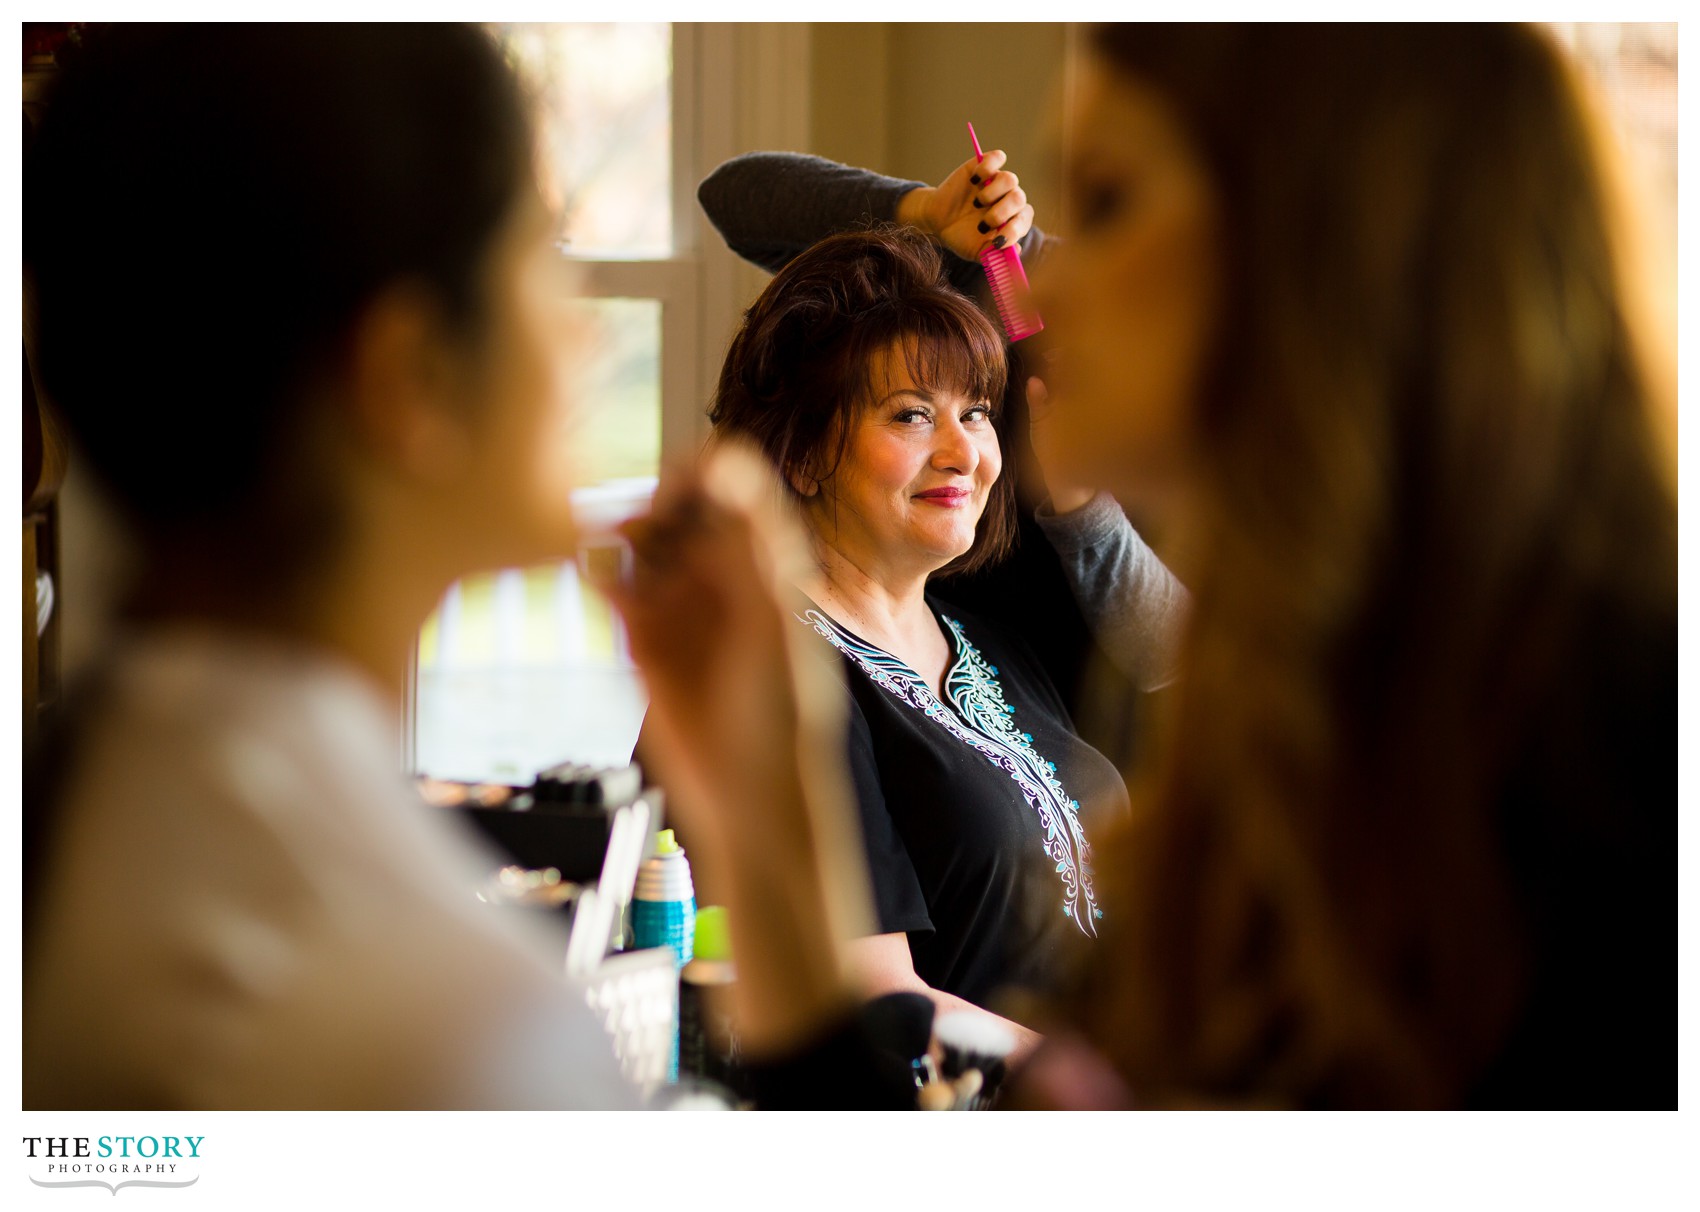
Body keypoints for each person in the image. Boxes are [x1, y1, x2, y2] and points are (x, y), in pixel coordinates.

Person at [622, 22, 1675, 1108]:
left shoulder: (1587, 733)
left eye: (1110, 199)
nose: (1042, 292)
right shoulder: (1284, 677)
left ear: (1311, 246)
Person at [22, 23, 894, 1110]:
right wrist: (785, 867)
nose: (581, 339)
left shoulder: (87, 801)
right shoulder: (465, 1037)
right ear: (412, 376)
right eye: (539, 254)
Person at [703, 225, 1130, 1056]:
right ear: (801, 454)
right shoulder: (786, 680)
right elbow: (881, 1002)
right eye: (911, 415)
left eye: (975, 412)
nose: (963, 451)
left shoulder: (988, 636)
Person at [697, 149, 1190, 713]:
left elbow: (1170, 652)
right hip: (898, 659)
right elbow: (733, 197)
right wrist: (921, 212)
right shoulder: (1015, 275)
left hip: (1046, 714)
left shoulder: (1232, 421)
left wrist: (1082, 504)